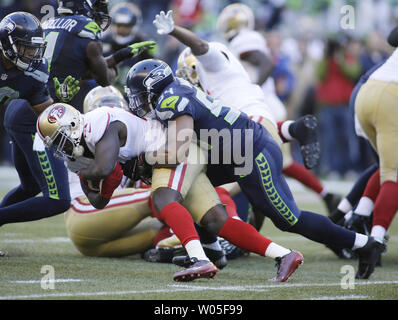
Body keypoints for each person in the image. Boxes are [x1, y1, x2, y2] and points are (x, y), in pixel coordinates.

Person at [125, 58, 384, 280]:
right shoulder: (176, 90)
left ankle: (363, 244)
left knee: (289, 219)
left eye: (138, 95)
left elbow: (178, 152)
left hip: (252, 154)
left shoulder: (172, 101)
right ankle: (211, 247)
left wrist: (146, 158)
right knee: (194, 181)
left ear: (153, 87)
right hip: (235, 153)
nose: (137, 102)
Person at [36, 99, 305, 283]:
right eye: (54, 144)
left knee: (162, 197)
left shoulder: (102, 121)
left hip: (172, 149)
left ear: (74, 126)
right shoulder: (74, 157)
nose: (60, 149)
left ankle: (199, 260)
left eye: (60, 140)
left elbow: (105, 167)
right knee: (215, 219)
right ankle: (284, 255)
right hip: (173, 158)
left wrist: (93, 173)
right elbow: (100, 201)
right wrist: (95, 177)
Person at [154, 10, 342, 219]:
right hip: (258, 112)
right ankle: (293, 131)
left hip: (256, 108)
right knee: (266, 167)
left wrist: (249, 87)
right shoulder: (231, 53)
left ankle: (239, 227)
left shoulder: (234, 46)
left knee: (247, 176)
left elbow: (265, 64)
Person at [0, 13, 79, 237]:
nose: (33, 54)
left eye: (36, 48)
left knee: (33, 187)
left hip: (18, 124)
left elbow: (45, 114)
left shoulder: (34, 72)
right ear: (8, 44)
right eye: (27, 48)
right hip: (14, 122)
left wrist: (61, 102)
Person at [42, 0, 156, 112]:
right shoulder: (86, 26)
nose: (98, 11)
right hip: (56, 107)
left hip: (36, 99)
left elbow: (82, 69)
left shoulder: (46, 24)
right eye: (96, 6)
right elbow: (104, 79)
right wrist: (115, 70)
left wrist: (120, 56)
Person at [101, 2, 156, 94]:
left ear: (134, 25)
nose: (122, 30)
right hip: (105, 92)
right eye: (120, 25)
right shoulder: (103, 42)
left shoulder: (143, 43)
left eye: (126, 26)